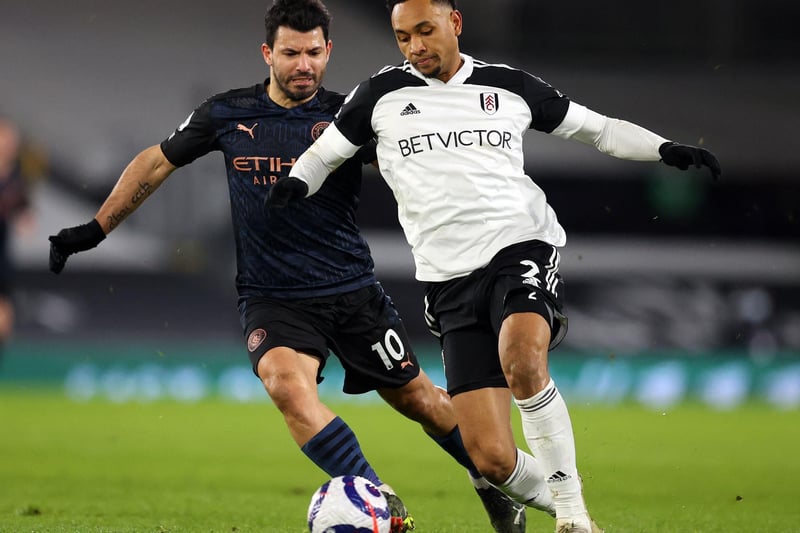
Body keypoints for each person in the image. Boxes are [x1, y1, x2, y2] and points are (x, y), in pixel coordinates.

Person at [47, 1, 529, 532]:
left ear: (329, 52)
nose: (304, 64)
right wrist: (95, 229)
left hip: (352, 292)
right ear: (267, 54)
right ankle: (380, 503)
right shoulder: (228, 113)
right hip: (272, 297)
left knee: (420, 401)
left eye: (314, 53)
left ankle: (490, 482)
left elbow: (424, 166)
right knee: (286, 387)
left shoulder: (354, 118)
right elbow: (158, 159)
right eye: (291, 53)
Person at [265, 1, 723, 532]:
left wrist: (664, 149)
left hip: (519, 245)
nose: (415, 47)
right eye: (402, 37)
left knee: (522, 358)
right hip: (446, 278)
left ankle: (573, 520)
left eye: (425, 31)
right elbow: (325, 155)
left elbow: (595, 130)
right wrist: (295, 184)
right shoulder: (379, 96)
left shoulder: (508, 85)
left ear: (454, 24)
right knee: (490, 458)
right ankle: (567, 507)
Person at [0, 117, 33, 364]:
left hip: (2, 255)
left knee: (4, 314)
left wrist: (23, 219)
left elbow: (25, 213)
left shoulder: (16, 177)